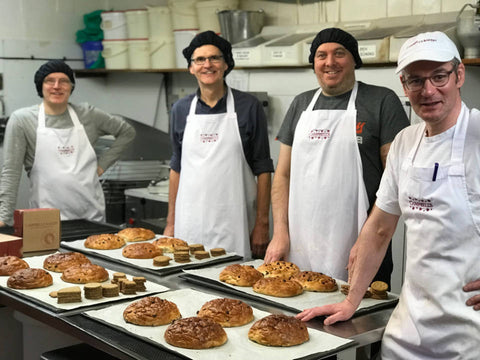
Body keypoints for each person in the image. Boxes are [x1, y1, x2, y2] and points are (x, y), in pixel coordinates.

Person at [297, 31, 480, 359]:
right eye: (414, 80)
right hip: (409, 328)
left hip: (471, 331)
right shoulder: (406, 142)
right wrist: (351, 300)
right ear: (403, 85)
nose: (428, 90)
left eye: (439, 76)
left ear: (459, 74)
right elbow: (379, 228)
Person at [264, 28, 409, 285]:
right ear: (314, 64)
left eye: (339, 54)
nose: (330, 62)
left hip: (361, 242)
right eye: (321, 55)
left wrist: (369, 240)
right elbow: (283, 175)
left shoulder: (381, 101)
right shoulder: (300, 103)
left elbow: (394, 181)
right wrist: (280, 233)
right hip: (300, 244)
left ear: (354, 59)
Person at [164, 31, 274, 259]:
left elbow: (263, 169)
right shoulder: (180, 109)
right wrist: (170, 223)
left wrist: (262, 224)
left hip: (235, 223)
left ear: (226, 65)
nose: (207, 65)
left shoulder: (249, 106)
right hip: (189, 223)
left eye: (214, 58)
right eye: (200, 60)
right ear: (191, 68)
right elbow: (176, 168)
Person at [0, 60, 135, 225]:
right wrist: (3, 218)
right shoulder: (22, 120)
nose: (57, 86)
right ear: (40, 86)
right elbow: (11, 172)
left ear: (71, 87)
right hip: (46, 218)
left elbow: (127, 132)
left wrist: (101, 166)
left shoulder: (88, 115)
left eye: (63, 81)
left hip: (91, 215)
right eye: (50, 80)